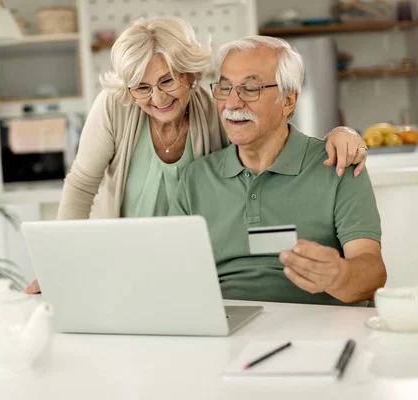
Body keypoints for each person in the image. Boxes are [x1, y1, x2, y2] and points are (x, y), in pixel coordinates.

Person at [23, 17, 368, 294]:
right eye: (142, 87)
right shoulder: (115, 106)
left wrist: (344, 133)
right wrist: (59, 268)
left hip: (189, 264)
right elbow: (82, 186)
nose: (157, 98)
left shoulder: (215, 109)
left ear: (189, 74)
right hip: (125, 254)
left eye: (167, 81)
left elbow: (263, 137)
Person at [169, 36, 386, 305]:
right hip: (226, 329)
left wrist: (339, 275)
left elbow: (373, 273)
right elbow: (176, 279)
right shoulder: (195, 178)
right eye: (225, 88)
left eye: (250, 89)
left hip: (318, 328)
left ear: (288, 100)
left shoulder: (337, 165)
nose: (233, 103)